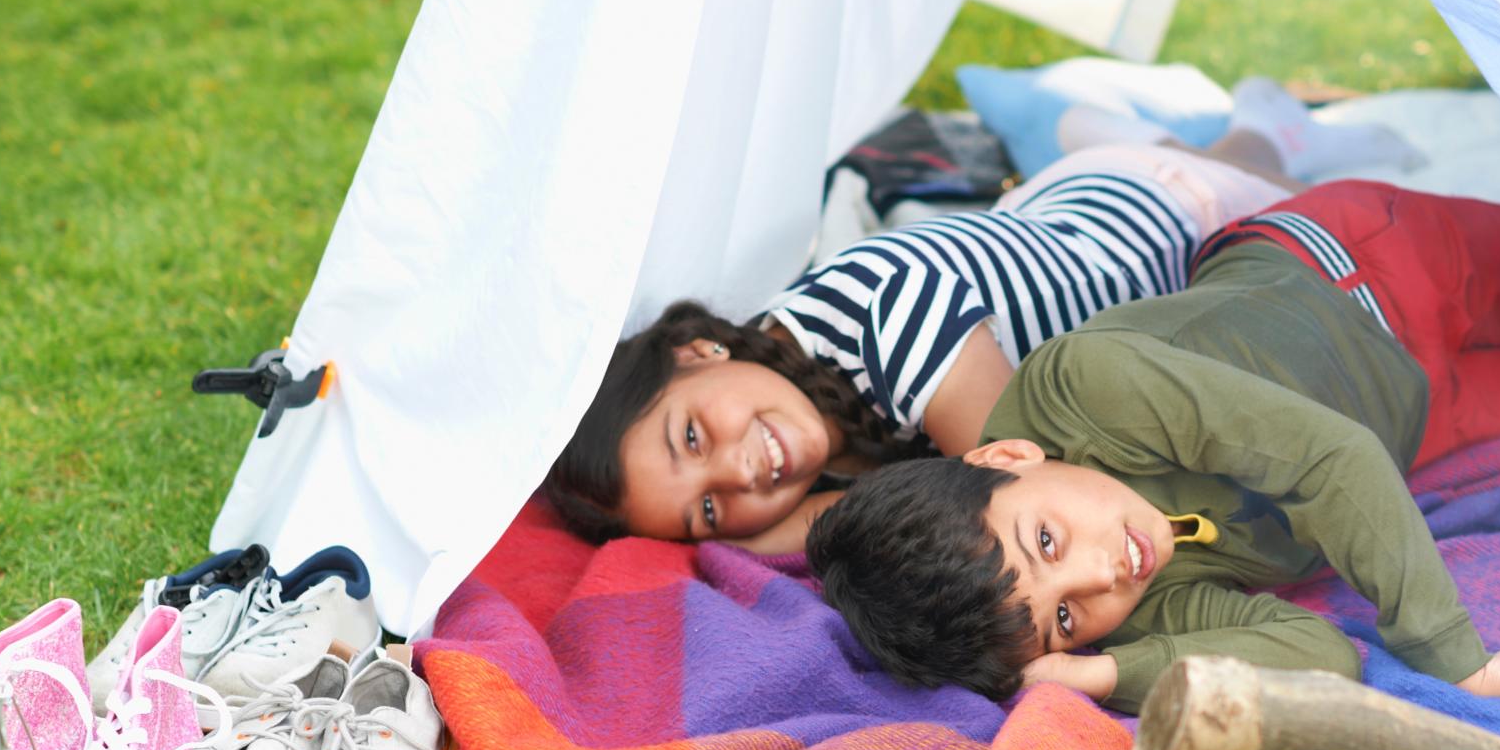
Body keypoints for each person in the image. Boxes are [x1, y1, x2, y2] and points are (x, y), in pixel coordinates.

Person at [803, 184, 1500, 712]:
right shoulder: (1130, 612)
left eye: (1046, 541)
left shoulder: (1088, 383)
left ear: (1006, 461)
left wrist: (1456, 657)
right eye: (1064, 617)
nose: (1104, 571)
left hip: (1360, 271)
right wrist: (1108, 669)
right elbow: (1319, 652)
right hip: (1414, 419)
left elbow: (1330, 459)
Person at [540, 81, 1417, 552]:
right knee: (1230, 146)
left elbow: (1029, 496)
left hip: (1163, 217)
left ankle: (1243, 133)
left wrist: (774, 536)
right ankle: (1224, 124)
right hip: (1059, 214)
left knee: (1321, 201)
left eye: (693, 438)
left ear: (695, 351)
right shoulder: (797, 423)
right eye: (706, 514)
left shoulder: (883, 308)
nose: (737, 477)